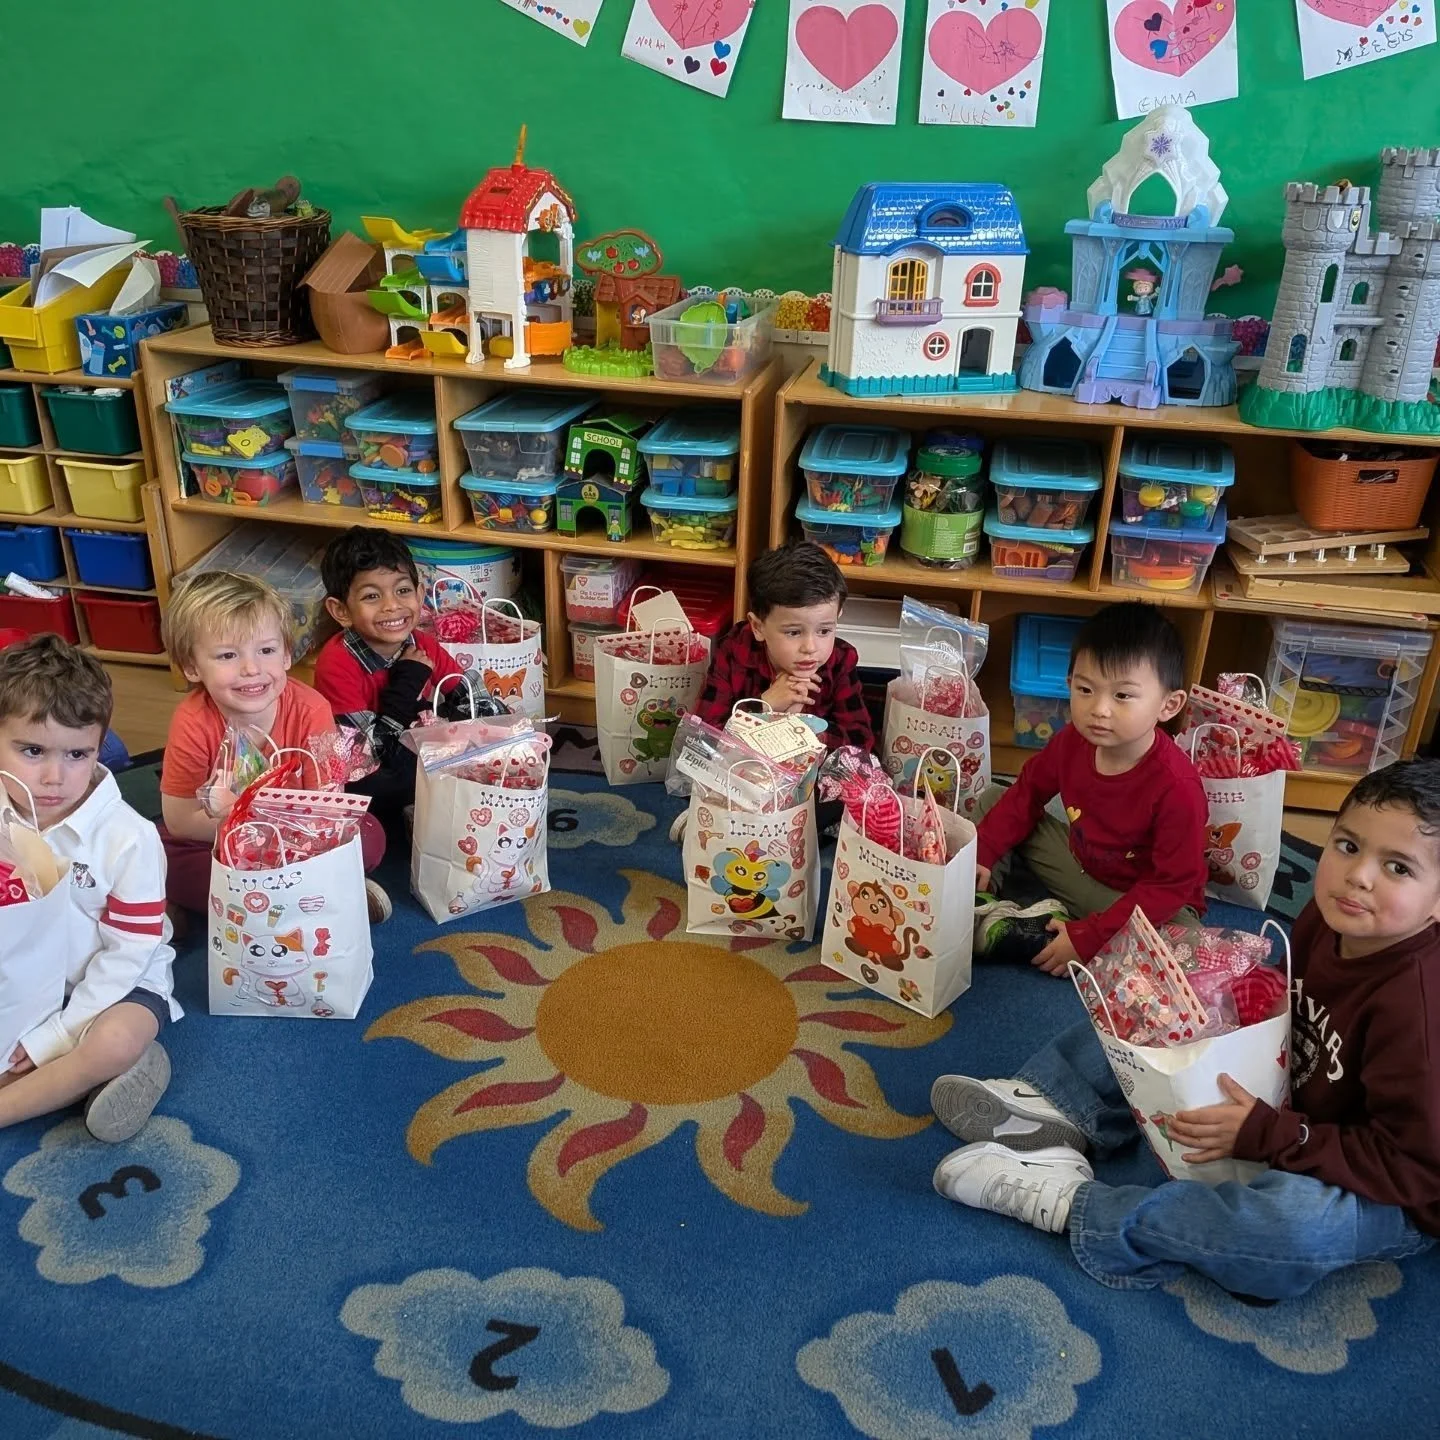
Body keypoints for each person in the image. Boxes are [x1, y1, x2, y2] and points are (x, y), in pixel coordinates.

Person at [929, 758, 1440, 1301]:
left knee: (1293, 1226)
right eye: (1348, 846)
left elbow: (1414, 1168)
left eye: (1398, 868)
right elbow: (1287, 995)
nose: (1359, 875)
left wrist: (1273, 1136)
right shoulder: (1333, 914)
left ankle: (1079, 1204)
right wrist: (1221, 1004)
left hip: (1389, 1184)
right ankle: (1057, 1103)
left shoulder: (1419, 1015)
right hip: (1294, 1101)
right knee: (1165, 1001)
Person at [0, 636, 178, 1141]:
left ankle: (19, 1102)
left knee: (113, 1041)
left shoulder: (130, 838)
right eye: (32, 750)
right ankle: (96, 1079)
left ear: (101, 748)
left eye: (77, 754)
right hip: (27, 981)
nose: (53, 777)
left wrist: (57, 1035)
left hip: (118, 987)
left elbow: (129, 955)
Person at [969, 601, 1208, 974]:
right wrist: (984, 852)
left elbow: (1171, 886)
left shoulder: (1178, 787)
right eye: (1085, 689)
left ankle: (1055, 931)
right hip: (1079, 868)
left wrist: (1091, 936)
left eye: (1122, 695)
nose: (1099, 709)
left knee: (1189, 944)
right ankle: (982, 906)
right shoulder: (1071, 741)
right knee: (995, 799)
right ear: (1069, 685)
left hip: (1141, 900)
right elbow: (1029, 791)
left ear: (1169, 704)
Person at [158, 570, 391, 922]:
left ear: (286, 656)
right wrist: (251, 836)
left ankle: (237, 903)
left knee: (369, 834)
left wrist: (282, 839)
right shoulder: (192, 721)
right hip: (223, 839)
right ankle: (326, 894)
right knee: (158, 853)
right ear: (192, 667)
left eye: (266, 650)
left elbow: (327, 808)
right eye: (227, 656)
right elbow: (180, 821)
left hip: (300, 841)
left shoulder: (312, 709)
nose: (252, 668)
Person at [676, 541, 875, 840]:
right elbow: (703, 740)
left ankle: (764, 829)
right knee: (705, 775)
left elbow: (861, 743)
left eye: (825, 630)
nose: (810, 647)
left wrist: (802, 727)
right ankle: (720, 821)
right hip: (744, 775)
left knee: (859, 786)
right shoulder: (736, 651)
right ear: (758, 627)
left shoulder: (839, 660)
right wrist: (763, 707)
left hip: (808, 782)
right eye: (793, 632)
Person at [313, 527, 463, 831]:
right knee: (390, 778)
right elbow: (369, 753)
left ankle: (426, 806)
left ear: (420, 594)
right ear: (341, 611)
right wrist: (408, 682)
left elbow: (466, 689)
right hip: (365, 766)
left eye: (403, 591)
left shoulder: (421, 642)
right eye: (371, 596)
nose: (392, 606)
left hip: (408, 746)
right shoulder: (336, 663)